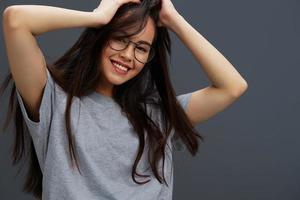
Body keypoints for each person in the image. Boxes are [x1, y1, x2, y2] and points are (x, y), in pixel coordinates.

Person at [1, 0, 248, 199]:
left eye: (141, 48)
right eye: (120, 38)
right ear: (100, 37)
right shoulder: (53, 99)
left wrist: (175, 21)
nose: (128, 55)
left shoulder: (157, 116)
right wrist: (97, 16)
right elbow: (15, 20)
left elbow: (232, 86)